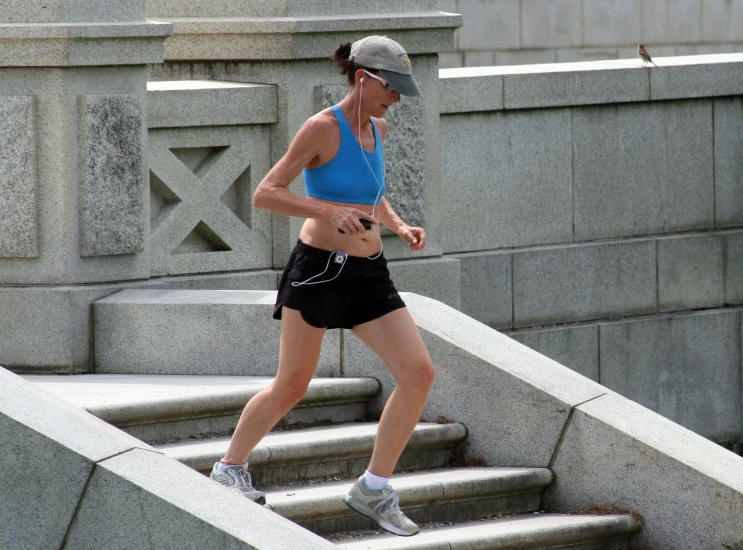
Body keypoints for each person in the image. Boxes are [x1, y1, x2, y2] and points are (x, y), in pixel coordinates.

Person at [209, 35, 436, 538]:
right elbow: (267, 193)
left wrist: (397, 225)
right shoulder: (322, 128)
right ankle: (229, 468)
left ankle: (374, 488)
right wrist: (326, 210)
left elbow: (371, 197)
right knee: (293, 383)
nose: (396, 97)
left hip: (370, 272)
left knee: (418, 372)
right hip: (319, 269)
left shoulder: (377, 126)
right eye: (391, 87)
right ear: (364, 79)